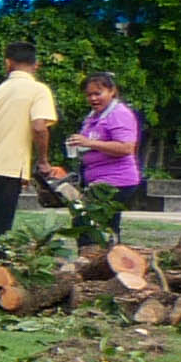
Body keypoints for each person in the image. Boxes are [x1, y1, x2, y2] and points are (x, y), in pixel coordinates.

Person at [0, 39, 56, 251]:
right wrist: (43, 161)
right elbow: (39, 127)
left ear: (8, 63)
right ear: (36, 65)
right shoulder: (38, 90)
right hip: (10, 169)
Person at [65, 66, 143, 245]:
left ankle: (98, 257)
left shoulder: (119, 114)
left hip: (116, 181)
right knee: (92, 223)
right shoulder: (94, 116)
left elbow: (126, 148)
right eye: (89, 95)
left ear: (112, 91)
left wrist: (89, 143)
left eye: (98, 93)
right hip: (97, 179)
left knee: (89, 223)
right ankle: (101, 257)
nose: (93, 98)